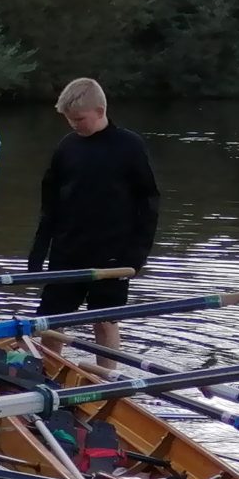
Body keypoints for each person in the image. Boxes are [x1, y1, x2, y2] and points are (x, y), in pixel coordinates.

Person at [27, 77, 160, 357]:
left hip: (113, 255)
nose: (74, 125)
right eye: (69, 120)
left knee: (105, 320)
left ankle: (105, 377)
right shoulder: (66, 148)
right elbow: (49, 204)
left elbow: (148, 203)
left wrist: (137, 256)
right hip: (67, 251)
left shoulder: (129, 146)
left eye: (79, 119)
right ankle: (49, 371)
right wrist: (39, 250)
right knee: (51, 320)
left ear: (100, 111)